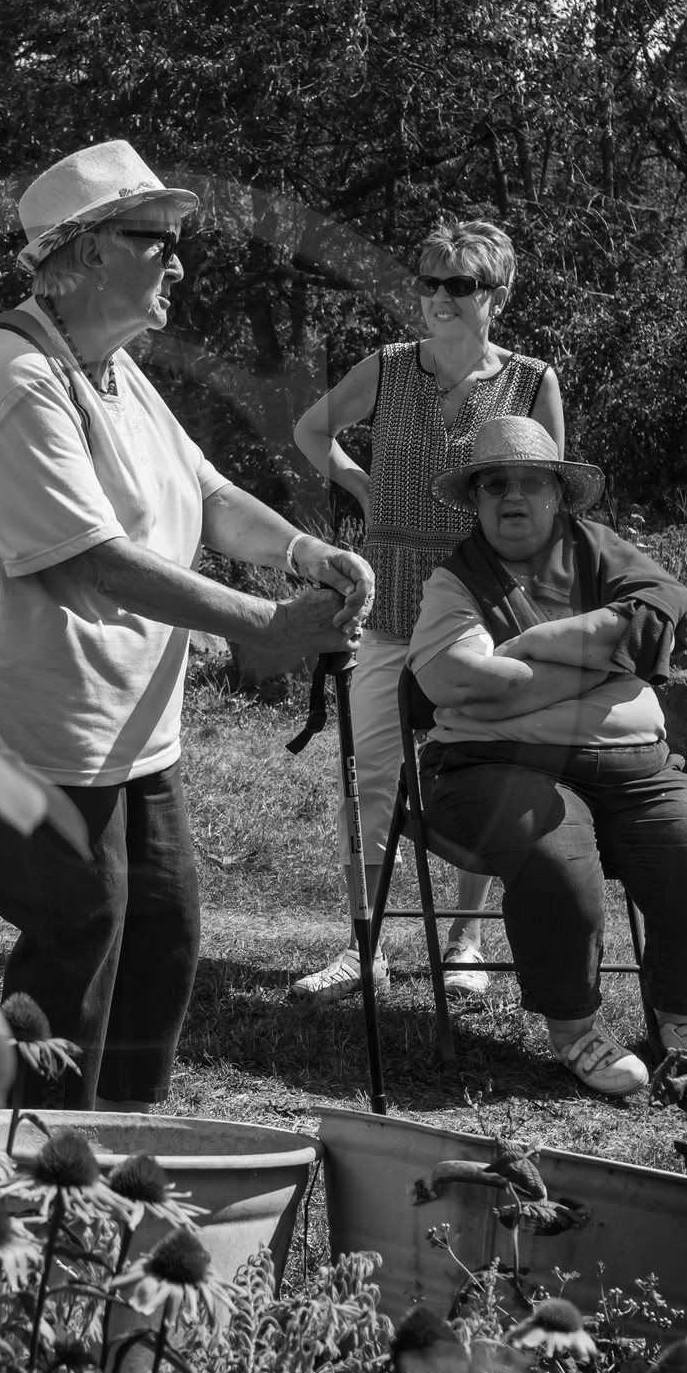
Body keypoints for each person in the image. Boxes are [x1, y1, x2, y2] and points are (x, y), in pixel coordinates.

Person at [0, 140, 375, 1112]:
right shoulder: (16, 375)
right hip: (32, 717)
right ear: (85, 251)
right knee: (77, 938)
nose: (179, 262)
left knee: (161, 933)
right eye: (155, 239)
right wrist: (268, 623)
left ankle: (121, 1144)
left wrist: (304, 553)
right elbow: (89, 559)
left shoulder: (112, 368)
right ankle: (34, 1157)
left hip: (128, 718)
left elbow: (205, 494)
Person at [408, 416, 687, 1097]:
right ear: (475, 500)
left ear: (558, 494)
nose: (513, 496)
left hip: (638, 770)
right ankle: (574, 1032)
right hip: (493, 768)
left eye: (531, 482)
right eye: (495, 484)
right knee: (557, 863)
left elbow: (664, 606)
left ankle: (683, 1024)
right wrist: (609, 659)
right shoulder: (456, 579)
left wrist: (535, 647)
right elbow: (459, 679)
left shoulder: (599, 550)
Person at [289, 219, 565, 1005]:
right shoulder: (386, 368)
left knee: (484, 767)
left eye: (460, 284)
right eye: (430, 281)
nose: (440, 297)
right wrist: (362, 485)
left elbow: (549, 496)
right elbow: (312, 429)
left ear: (497, 295)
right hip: (389, 599)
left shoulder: (532, 382)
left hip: (484, 604)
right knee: (371, 770)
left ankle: (467, 940)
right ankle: (364, 946)